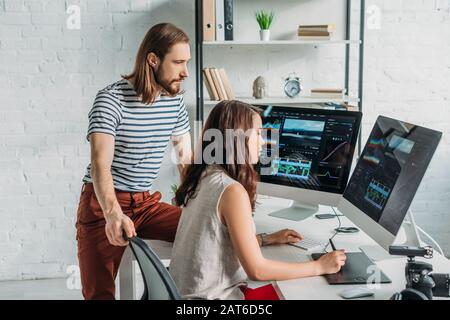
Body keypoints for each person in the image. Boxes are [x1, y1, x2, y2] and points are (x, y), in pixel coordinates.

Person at [170, 100, 346, 300]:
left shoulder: (203, 175)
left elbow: (215, 241)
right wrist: (319, 266)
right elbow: (258, 271)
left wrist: (266, 239)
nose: (264, 142)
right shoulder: (231, 191)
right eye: (258, 133)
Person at [76, 23, 192, 300]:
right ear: (153, 60)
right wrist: (113, 214)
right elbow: (100, 165)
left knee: (206, 230)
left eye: (186, 62)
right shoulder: (110, 100)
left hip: (147, 204)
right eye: (178, 62)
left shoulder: (175, 102)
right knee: (99, 295)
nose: (185, 72)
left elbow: (185, 161)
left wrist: (195, 202)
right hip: (102, 204)